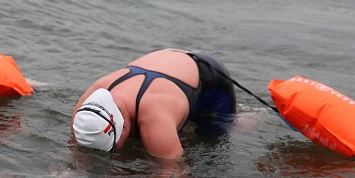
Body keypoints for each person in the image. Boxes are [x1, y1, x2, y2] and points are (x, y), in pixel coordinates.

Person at [71, 48, 237, 160]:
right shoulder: (86, 110)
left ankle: (250, 119)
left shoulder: (154, 118)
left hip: (210, 77)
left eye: (111, 148)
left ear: (126, 126)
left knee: (212, 138)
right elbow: (73, 146)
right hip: (162, 62)